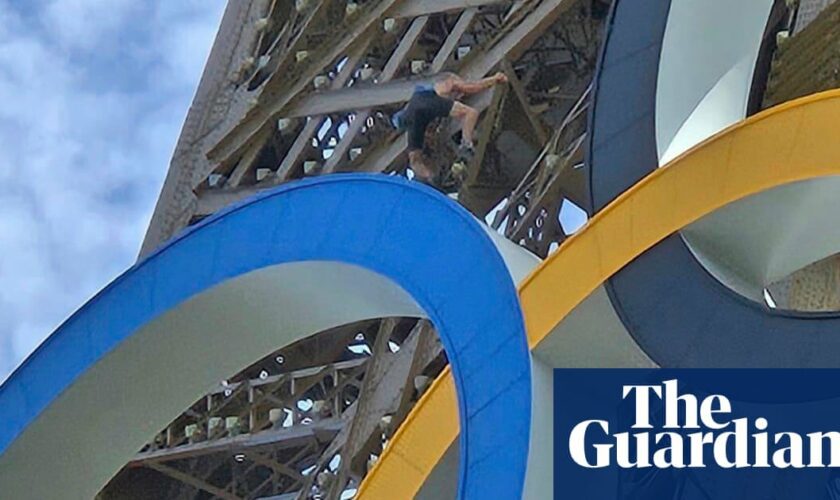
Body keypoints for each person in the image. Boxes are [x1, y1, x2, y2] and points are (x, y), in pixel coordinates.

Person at [391, 71, 508, 185]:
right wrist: (495, 78)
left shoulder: (416, 102)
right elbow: (471, 87)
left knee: (415, 159)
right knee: (471, 113)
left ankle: (430, 176)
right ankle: (466, 145)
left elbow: (414, 161)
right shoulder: (448, 80)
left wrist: (430, 175)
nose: (459, 96)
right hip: (427, 103)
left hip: (413, 117)